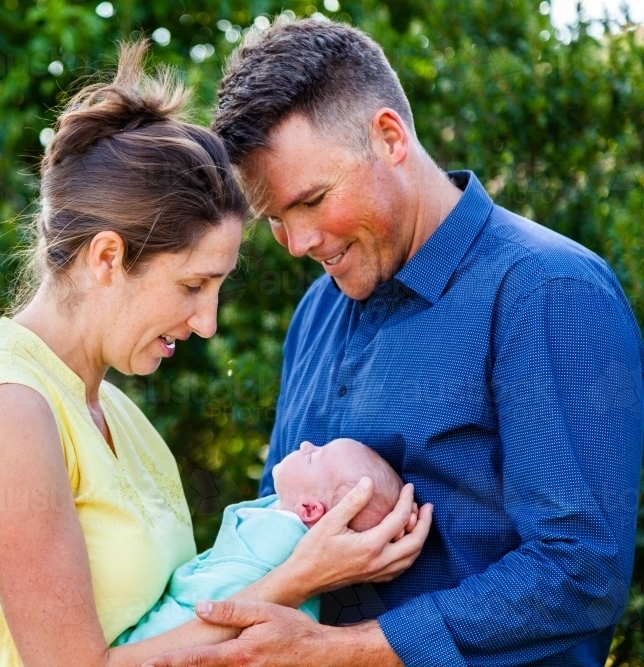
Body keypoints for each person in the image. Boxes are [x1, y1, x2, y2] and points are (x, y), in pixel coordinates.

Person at [0, 41, 431, 667]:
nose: (207, 322)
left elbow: (170, 617)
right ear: (107, 258)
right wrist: (296, 576)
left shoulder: (121, 416)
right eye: (192, 285)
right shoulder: (6, 409)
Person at [144, 17, 644, 667]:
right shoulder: (316, 313)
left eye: (314, 200)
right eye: (275, 221)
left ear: (389, 136)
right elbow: (282, 530)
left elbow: (579, 573)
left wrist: (345, 650)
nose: (299, 244)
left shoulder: (547, 291)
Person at [116, 438, 415, 645]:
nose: (306, 444)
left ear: (309, 510)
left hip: (162, 636)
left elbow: (206, 603)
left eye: (313, 456)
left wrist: (133, 645)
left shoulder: (268, 551)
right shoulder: (282, 519)